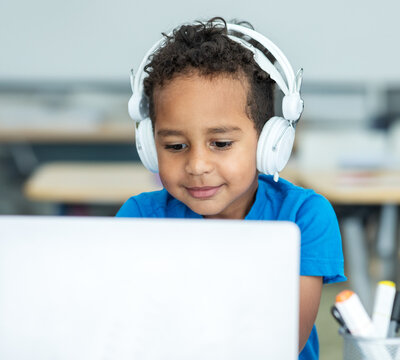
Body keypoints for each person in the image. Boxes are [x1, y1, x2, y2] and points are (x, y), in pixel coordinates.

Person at [116, 17, 345, 360]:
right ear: (149, 147)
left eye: (221, 143)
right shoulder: (138, 218)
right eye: (175, 146)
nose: (197, 165)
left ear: (271, 143)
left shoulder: (303, 217)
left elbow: (282, 343)